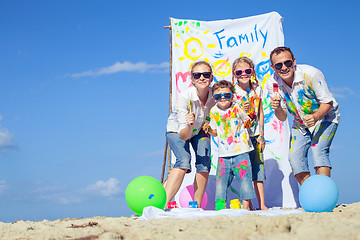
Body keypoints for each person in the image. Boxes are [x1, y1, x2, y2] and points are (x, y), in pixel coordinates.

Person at [267, 46, 340, 185]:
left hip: (326, 117)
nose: (284, 67)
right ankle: (312, 193)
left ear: (294, 61)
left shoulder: (311, 74)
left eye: (287, 62)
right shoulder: (273, 83)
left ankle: (323, 194)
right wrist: (276, 108)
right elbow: (282, 117)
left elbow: (328, 102)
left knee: (318, 151)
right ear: (273, 67)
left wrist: (315, 116)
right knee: (295, 158)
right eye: (278, 65)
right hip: (300, 122)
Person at [165, 61, 215, 208]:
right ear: (192, 79)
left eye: (206, 74)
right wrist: (190, 124)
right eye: (197, 75)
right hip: (178, 130)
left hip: (199, 129)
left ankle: (196, 206)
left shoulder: (215, 95)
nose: (202, 78)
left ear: (211, 77)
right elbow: (184, 136)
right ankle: (163, 203)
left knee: (204, 163)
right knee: (184, 160)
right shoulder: (185, 96)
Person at [203, 80, 256, 210]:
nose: (222, 98)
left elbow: (247, 120)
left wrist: (249, 122)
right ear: (214, 98)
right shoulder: (213, 111)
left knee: (244, 180)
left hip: (241, 151)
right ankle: (220, 207)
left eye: (226, 95)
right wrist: (209, 130)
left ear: (232, 95)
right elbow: (215, 132)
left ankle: (246, 207)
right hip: (224, 154)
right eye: (218, 96)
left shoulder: (237, 107)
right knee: (221, 183)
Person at [232, 57, 268, 210]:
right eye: (239, 72)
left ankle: (262, 204)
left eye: (247, 71)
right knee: (245, 171)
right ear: (234, 74)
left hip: (255, 135)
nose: (243, 74)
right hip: (241, 137)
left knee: (258, 170)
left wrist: (261, 133)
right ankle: (249, 204)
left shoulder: (257, 89)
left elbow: (260, 112)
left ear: (252, 71)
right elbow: (231, 116)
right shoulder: (232, 92)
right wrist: (242, 109)